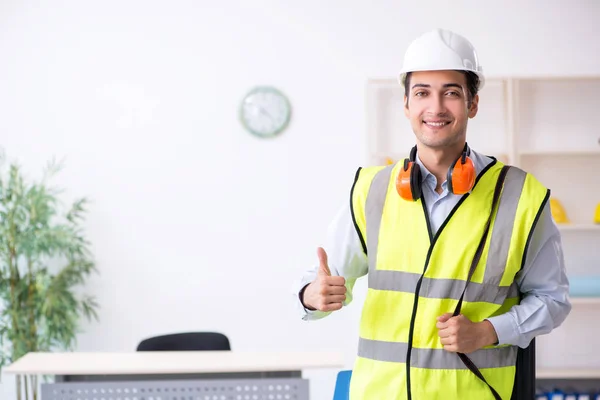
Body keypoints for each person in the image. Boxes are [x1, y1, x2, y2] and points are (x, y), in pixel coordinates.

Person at [292, 28, 571, 400]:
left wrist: (488, 331)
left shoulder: (522, 196)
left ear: (473, 104)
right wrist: (314, 295)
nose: (435, 107)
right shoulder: (371, 190)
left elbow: (553, 300)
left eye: (451, 92)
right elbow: (323, 279)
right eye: (422, 92)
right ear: (406, 105)